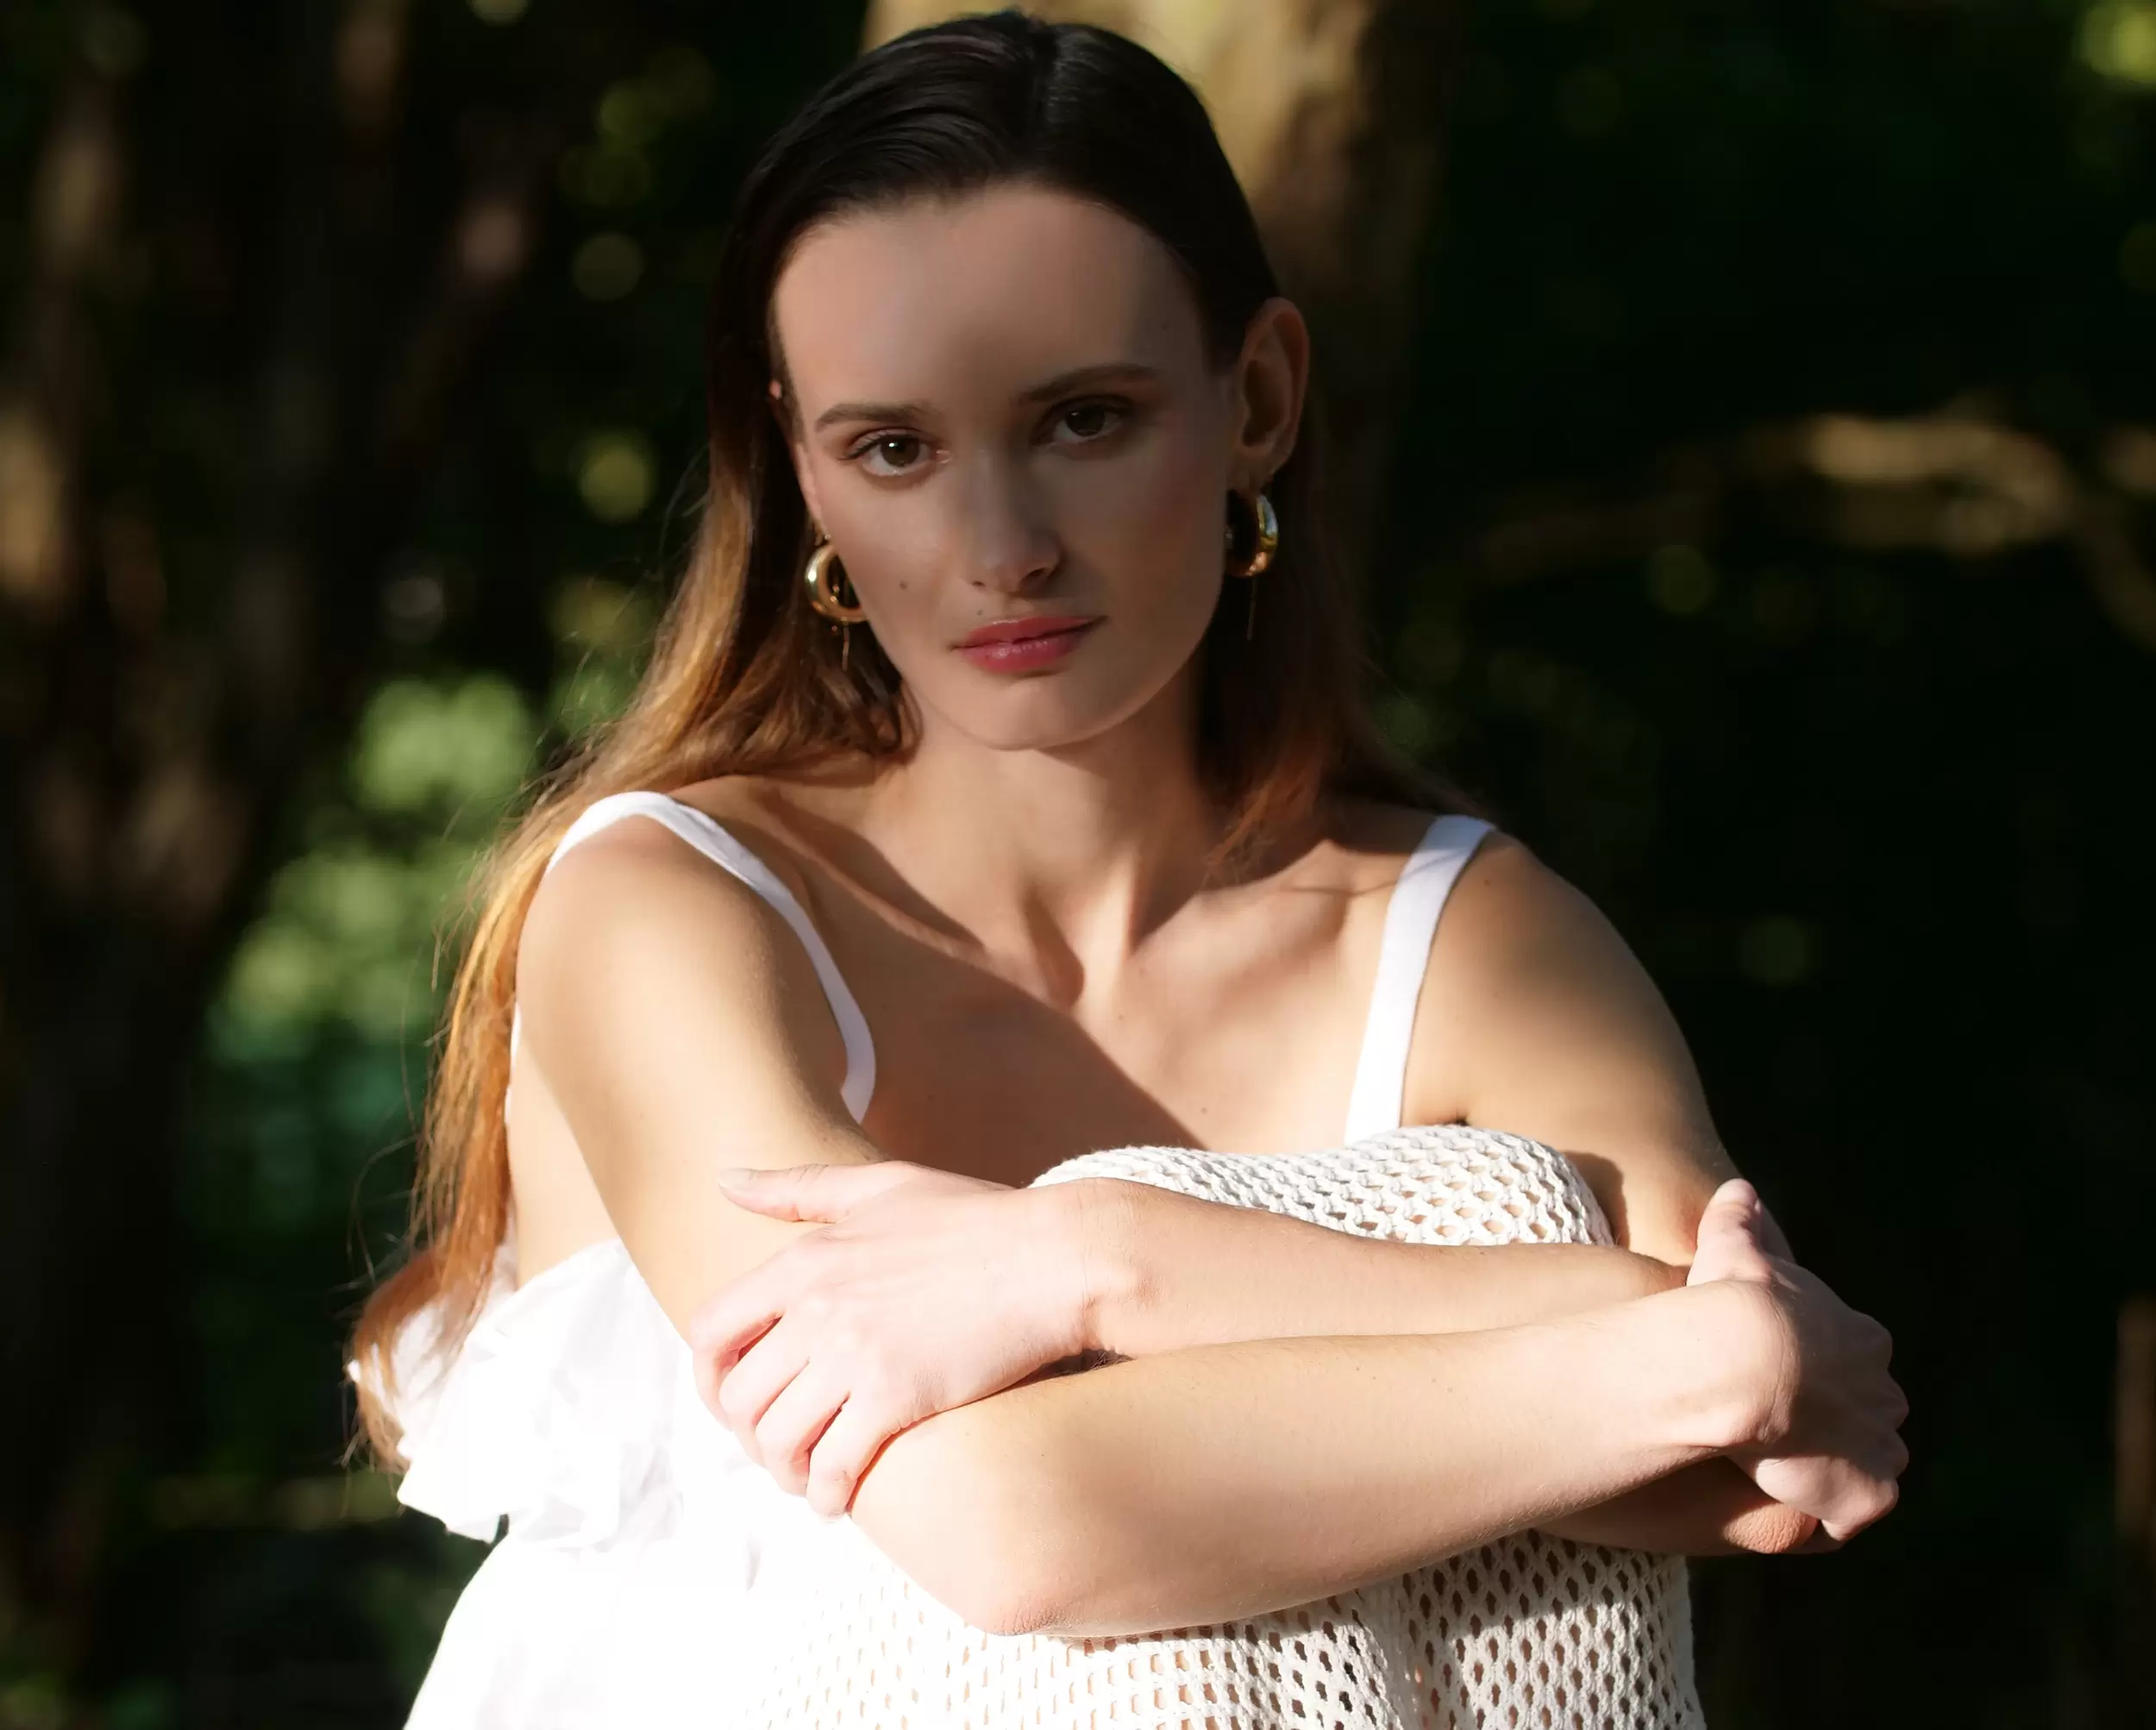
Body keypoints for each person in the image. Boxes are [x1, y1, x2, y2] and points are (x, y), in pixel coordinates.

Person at [348, 11, 1906, 1727]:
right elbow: (1002, 1522)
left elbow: (1775, 1454)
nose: (1000, 548)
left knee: (1498, 1207)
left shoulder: (1466, 941)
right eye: (894, 449)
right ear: (801, 467)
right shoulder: (672, 906)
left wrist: (1093, 1262)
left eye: (1082, 419)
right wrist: (1671, 1353)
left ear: (1258, 401)